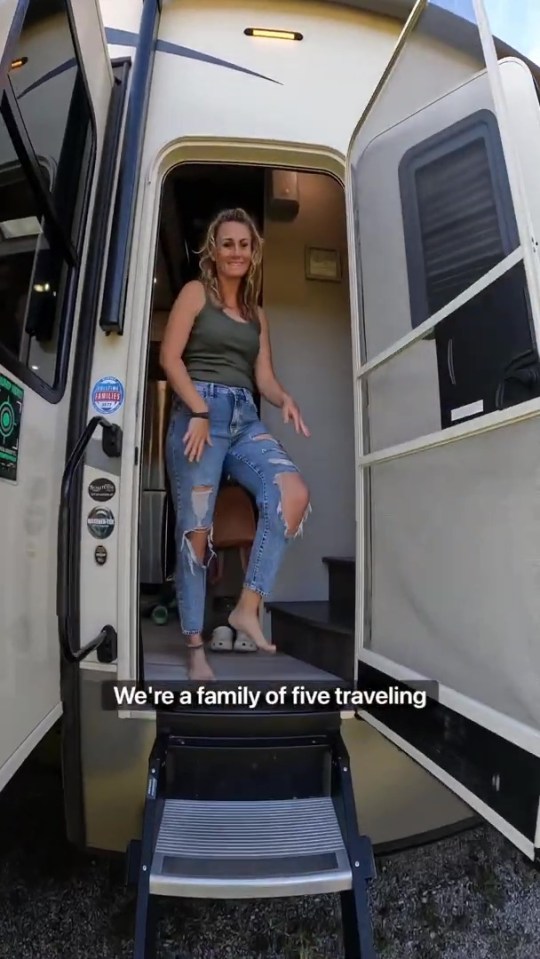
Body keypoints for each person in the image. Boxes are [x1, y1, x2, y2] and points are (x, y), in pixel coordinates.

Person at [160, 207, 311, 681]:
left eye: (244, 245)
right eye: (228, 243)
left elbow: (261, 375)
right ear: (214, 249)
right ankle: (195, 647)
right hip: (197, 414)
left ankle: (248, 606)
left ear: (253, 252)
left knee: (292, 494)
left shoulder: (256, 315)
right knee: (197, 533)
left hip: (245, 416)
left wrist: (282, 396)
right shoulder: (193, 294)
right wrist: (200, 411)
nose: (236, 252)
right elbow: (169, 357)